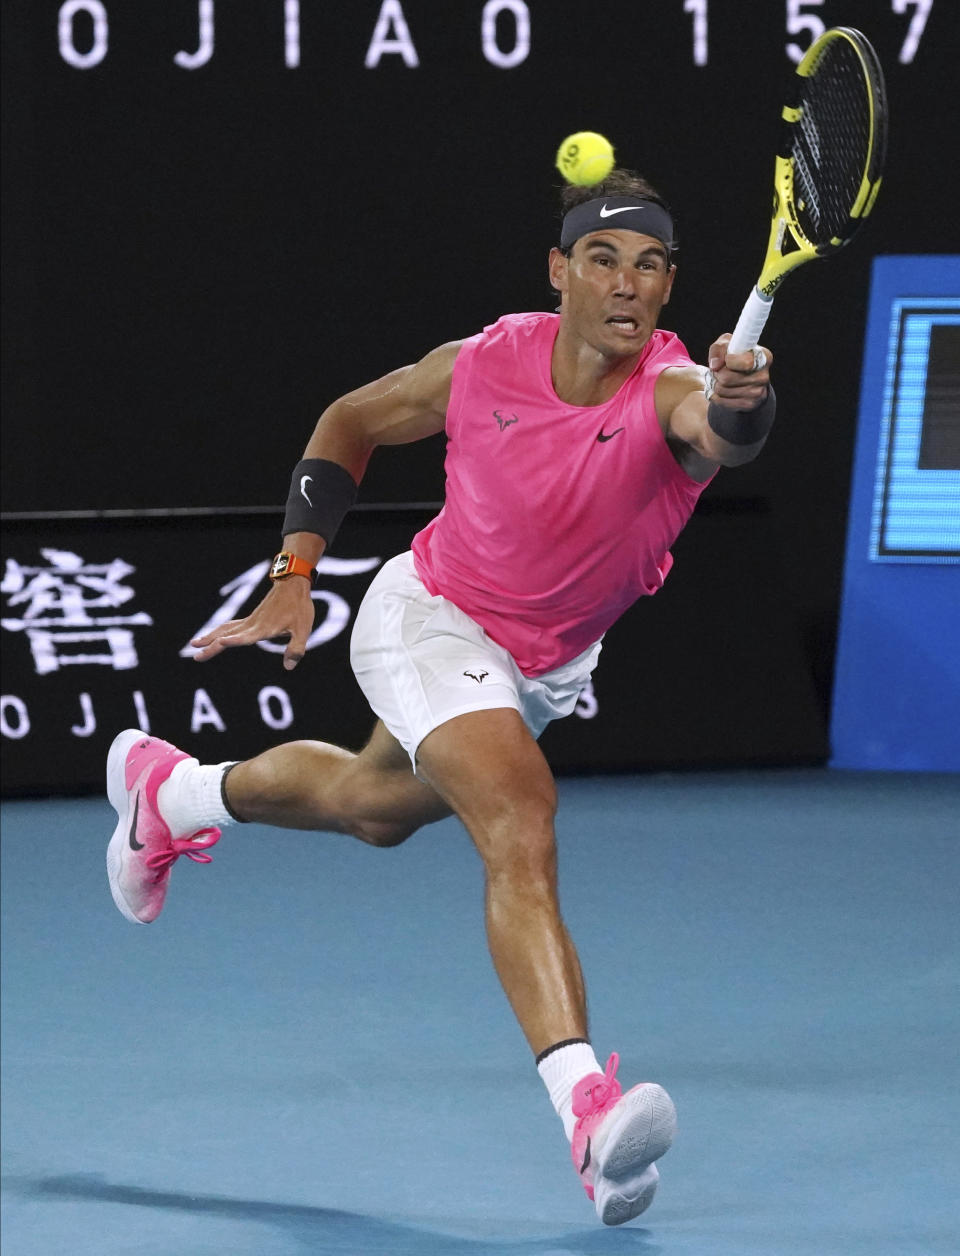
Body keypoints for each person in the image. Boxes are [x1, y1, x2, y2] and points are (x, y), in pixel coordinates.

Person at [105, 170, 774, 1226]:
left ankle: (172, 792)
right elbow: (347, 421)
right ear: (560, 272)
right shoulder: (482, 364)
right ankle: (586, 1108)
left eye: (649, 265)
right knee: (520, 813)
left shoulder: (674, 387)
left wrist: (749, 400)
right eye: (602, 260)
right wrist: (295, 570)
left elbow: (724, 431)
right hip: (431, 617)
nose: (625, 284)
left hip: (543, 665)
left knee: (372, 807)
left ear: (668, 287)